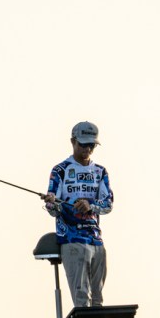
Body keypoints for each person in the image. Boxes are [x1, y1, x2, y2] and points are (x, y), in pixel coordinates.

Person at [42, 121, 113, 308]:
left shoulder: (100, 172)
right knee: (81, 298)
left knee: (98, 300)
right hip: (72, 239)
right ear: (73, 141)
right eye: (83, 144)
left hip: (96, 240)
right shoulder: (60, 170)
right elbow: (52, 208)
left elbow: (108, 203)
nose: (87, 149)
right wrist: (51, 202)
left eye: (92, 145)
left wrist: (91, 205)